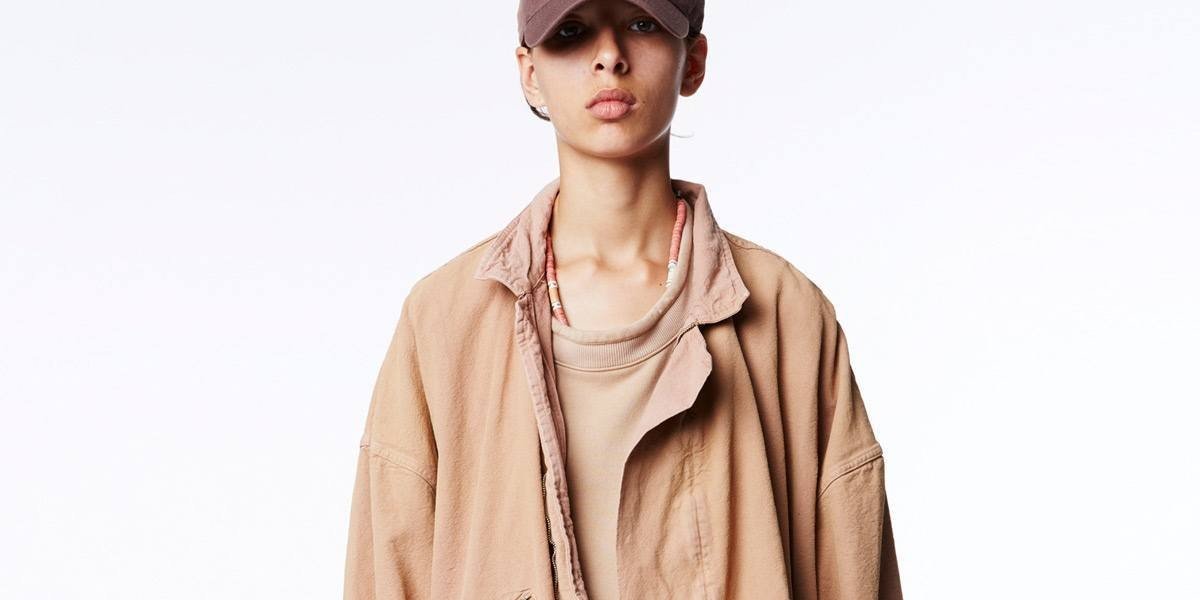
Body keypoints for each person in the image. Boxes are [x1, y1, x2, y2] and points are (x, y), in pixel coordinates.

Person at [343, 0, 903, 598]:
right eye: (572, 32)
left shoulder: (787, 314)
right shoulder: (443, 320)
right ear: (529, 72)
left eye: (642, 24)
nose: (609, 57)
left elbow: (853, 570)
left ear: (694, 61)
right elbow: (388, 572)